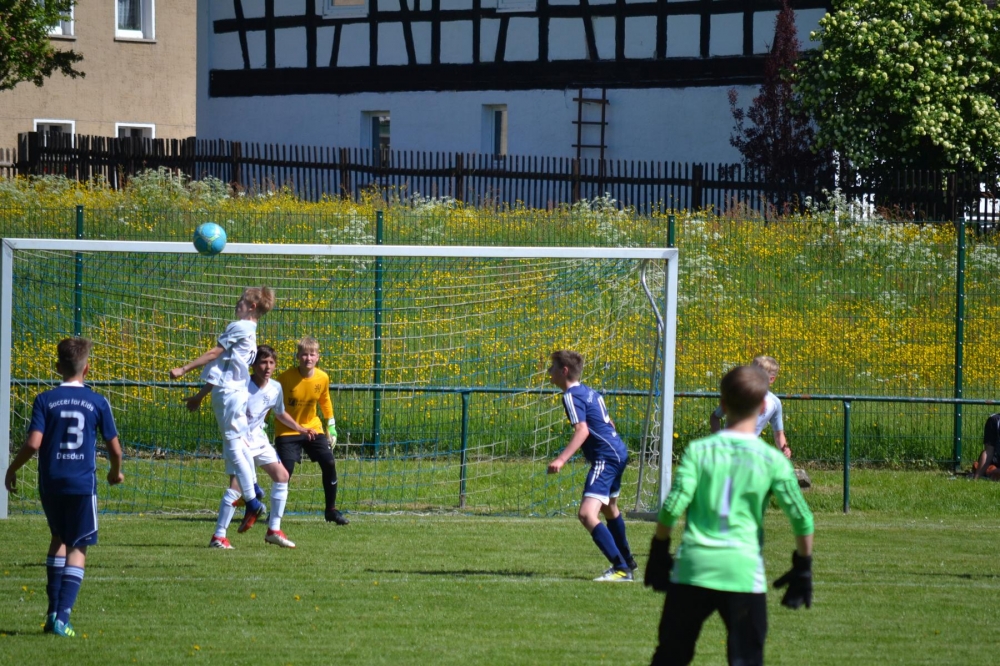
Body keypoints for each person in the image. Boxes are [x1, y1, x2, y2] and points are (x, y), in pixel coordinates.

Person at [645, 365, 814, 666]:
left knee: (670, 656)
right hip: (743, 570)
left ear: (722, 405)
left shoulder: (699, 450)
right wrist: (803, 566)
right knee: (746, 659)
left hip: (693, 567)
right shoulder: (773, 460)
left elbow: (672, 506)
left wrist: (658, 550)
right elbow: (802, 518)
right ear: (764, 406)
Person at [4, 338, 124, 638]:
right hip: (82, 484)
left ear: (57, 367)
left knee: (58, 537)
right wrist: (114, 472)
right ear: (88, 368)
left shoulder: (45, 399)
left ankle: (50, 613)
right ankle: (63, 618)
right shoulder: (97, 401)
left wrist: (12, 468)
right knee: (78, 545)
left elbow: (33, 443)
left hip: (51, 483)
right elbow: (116, 450)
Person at [185, 345, 318, 549]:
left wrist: (300, 428)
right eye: (263, 362)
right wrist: (199, 397)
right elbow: (217, 381)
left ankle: (274, 530)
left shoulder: (275, 388)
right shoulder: (241, 383)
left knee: (282, 476)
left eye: (271, 363)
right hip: (238, 440)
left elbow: (280, 413)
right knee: (236, 488)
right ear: (253, 364)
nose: (267, 367)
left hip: (258, 440)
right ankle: (218, 536)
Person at [170, 286, 275, 533]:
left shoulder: (238, 327)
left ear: (251, 307)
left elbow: (213, 354)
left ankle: (251, 500)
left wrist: (183, 369)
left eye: (240, 301)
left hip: (229, 396)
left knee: (234, 445)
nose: (236, 304)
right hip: (233, 394)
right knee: (239, 444)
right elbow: (222, 368)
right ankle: (255, 491)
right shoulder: (250, 332)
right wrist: (199, 396)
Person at [545, 350, 637, 582]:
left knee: (587, 514)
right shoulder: (589, 392)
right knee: (609, 509)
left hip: (606, 457)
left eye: (552, 367)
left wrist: (561, 459)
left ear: (564, 371)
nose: (549, 372)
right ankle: (628, 560)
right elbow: (609, 422)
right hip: (618, 451)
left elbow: (583, 430)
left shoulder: (570, 396)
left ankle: (620, 568)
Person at [274, 336, 348, 525]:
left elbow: (325, 400)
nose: (308, 358)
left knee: (329, 462)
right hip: (288, 430)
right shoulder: (285, 378)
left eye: (312, 354)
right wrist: (262, 423)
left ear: (318, 357)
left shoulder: (322, 377)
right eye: (304, 354)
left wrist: (330, 424)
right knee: (286, 470)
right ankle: (274, 515)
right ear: (297, 356)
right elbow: (271, 401)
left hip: (313, 429)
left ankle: (331, 510)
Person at [710, 355, 791, 458]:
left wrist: (784, 449)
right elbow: (715, 417)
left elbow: (779, 434)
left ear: (771, 379)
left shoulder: (775, 403)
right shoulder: (739, 393)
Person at [971, 413, 1000, 481]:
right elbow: (988, 452)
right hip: (996, 462)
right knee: (994, 471)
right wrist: (976, 478)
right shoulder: (994, 420)